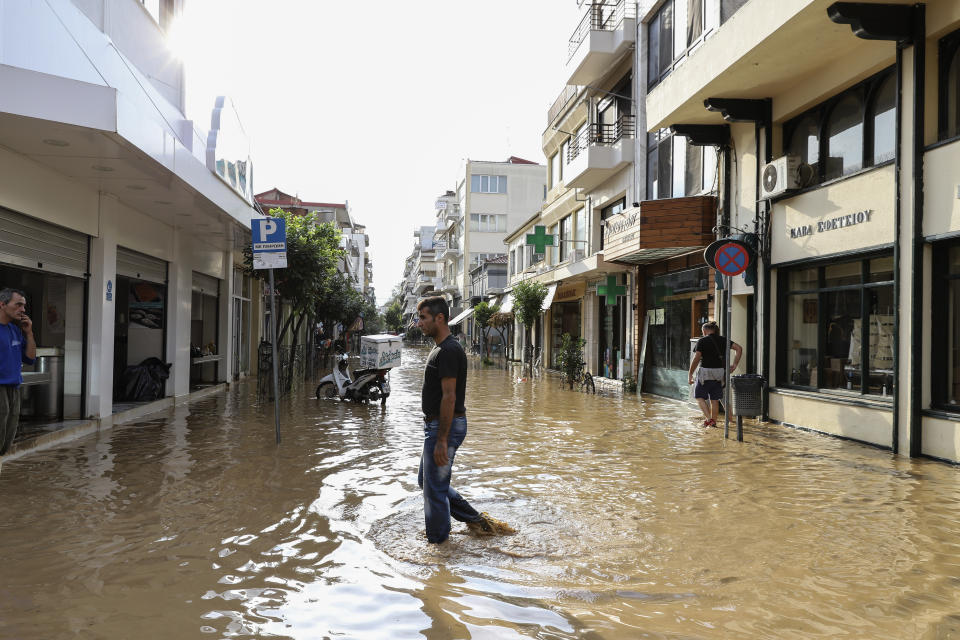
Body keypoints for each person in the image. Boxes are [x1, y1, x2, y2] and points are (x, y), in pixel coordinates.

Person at [416, 296, 513, 544]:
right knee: (426, 482)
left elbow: (449, 397)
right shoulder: (442, 347)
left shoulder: (448, 350)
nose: (419, 323)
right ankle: (477, 521)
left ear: (440, 318)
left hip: (443, 426)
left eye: (423, 318)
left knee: (434, 489)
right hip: (438, 426)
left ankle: (439, 545)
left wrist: (442, 439)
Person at [0, 289, 36, 455]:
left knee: (6, 441)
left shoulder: (15, 330)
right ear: (2, 304)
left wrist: (29, 333)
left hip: (14, 388)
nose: (22, 310)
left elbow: (29, 358)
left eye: (24, 306)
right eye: (18, 305)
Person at [688, 320, 742, 428]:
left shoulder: (702, 341)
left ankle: (709, 419)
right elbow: (739, 348)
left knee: (698, 396)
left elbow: (697, 358)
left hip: (705, 372)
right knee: (714, 399)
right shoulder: (723, 340)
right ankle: (714, 422)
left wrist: (690, 374)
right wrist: (735, 364)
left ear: (704, 331)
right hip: (719, 373)